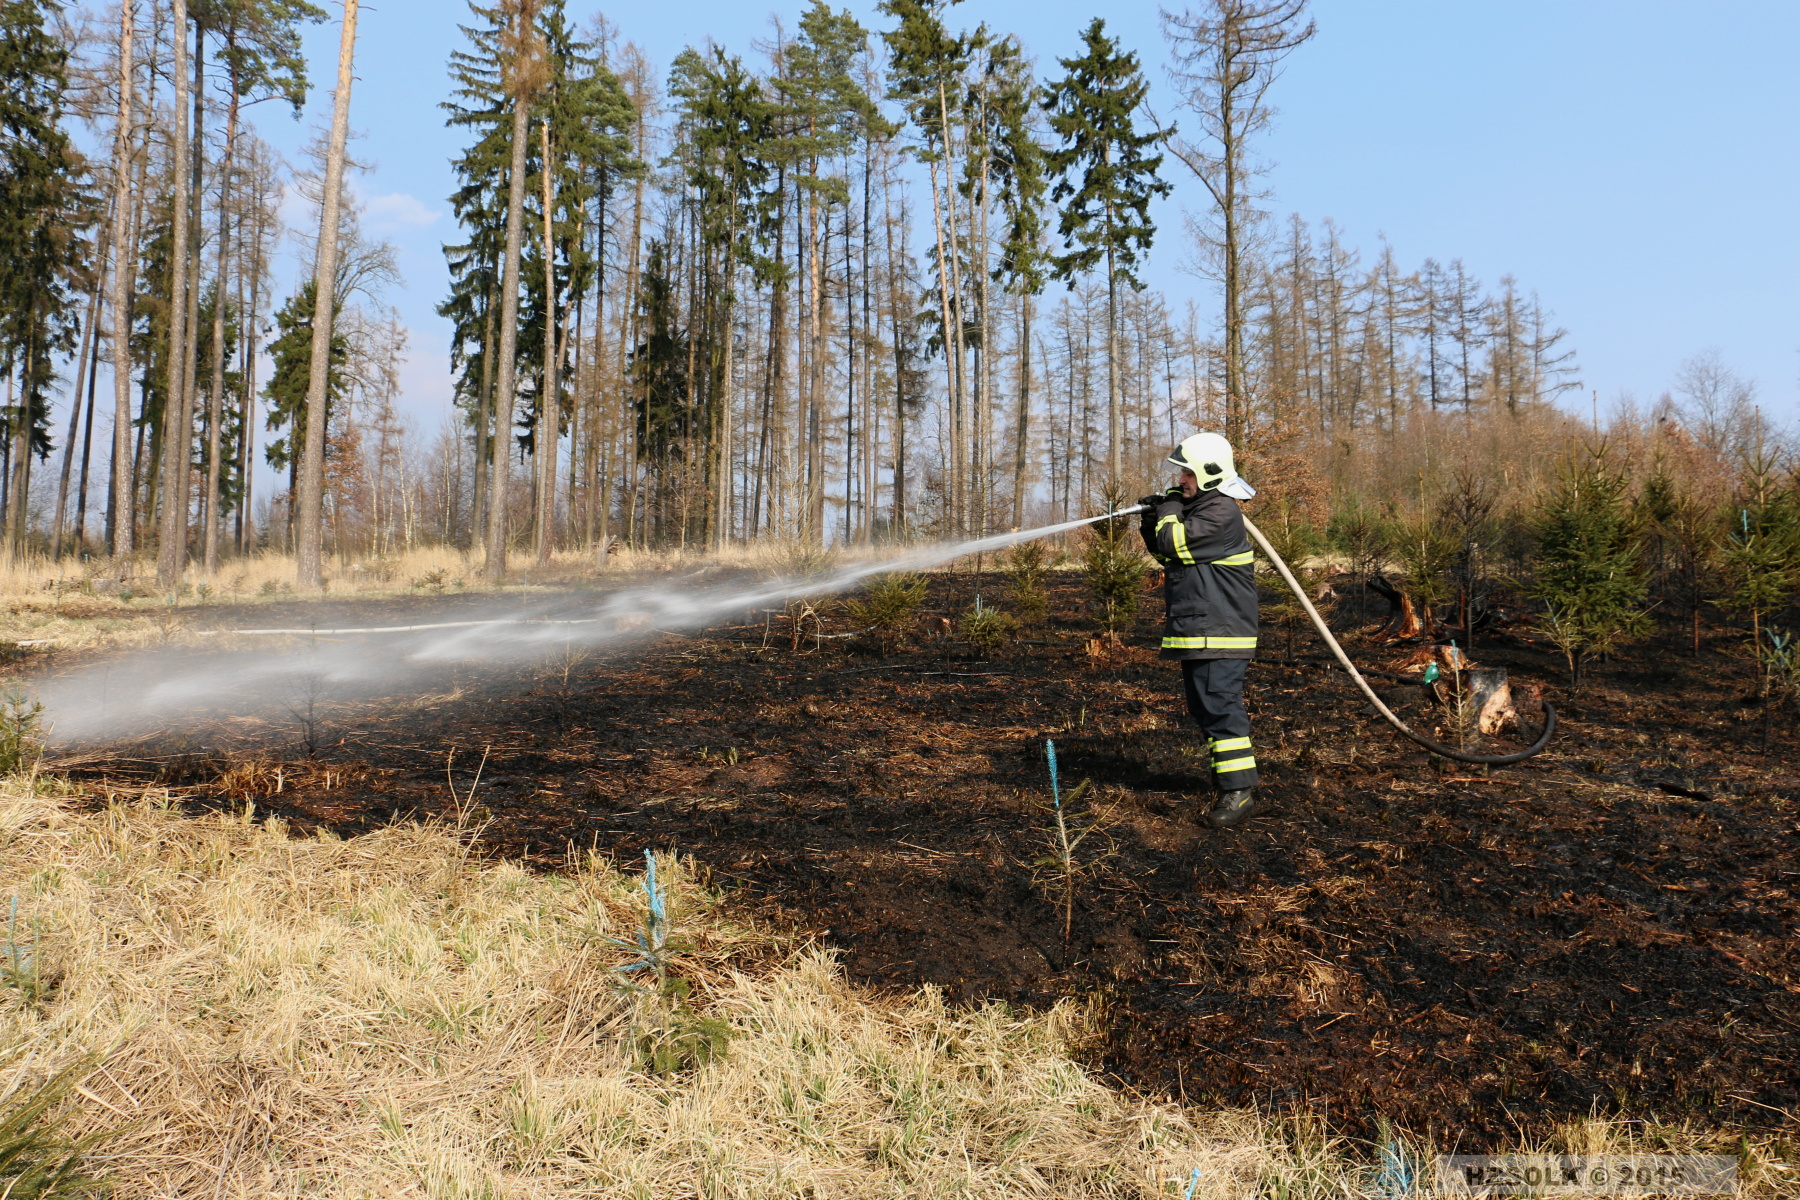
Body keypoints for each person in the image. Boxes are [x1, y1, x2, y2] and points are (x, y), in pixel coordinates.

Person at [1137, 432, 1262, 829]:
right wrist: (1150, 519)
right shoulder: (1202, 509)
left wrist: (1170, 509)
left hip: (1220, 634)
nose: (1180, 479)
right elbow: (1164, 550)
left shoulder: (1221, 513)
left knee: (1221, 711)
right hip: (1202, 631)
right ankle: (1229, 783)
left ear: (1209, 473)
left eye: (1187, 473)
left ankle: (1239, 792)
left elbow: (1176, 544)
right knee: (1208, 709)